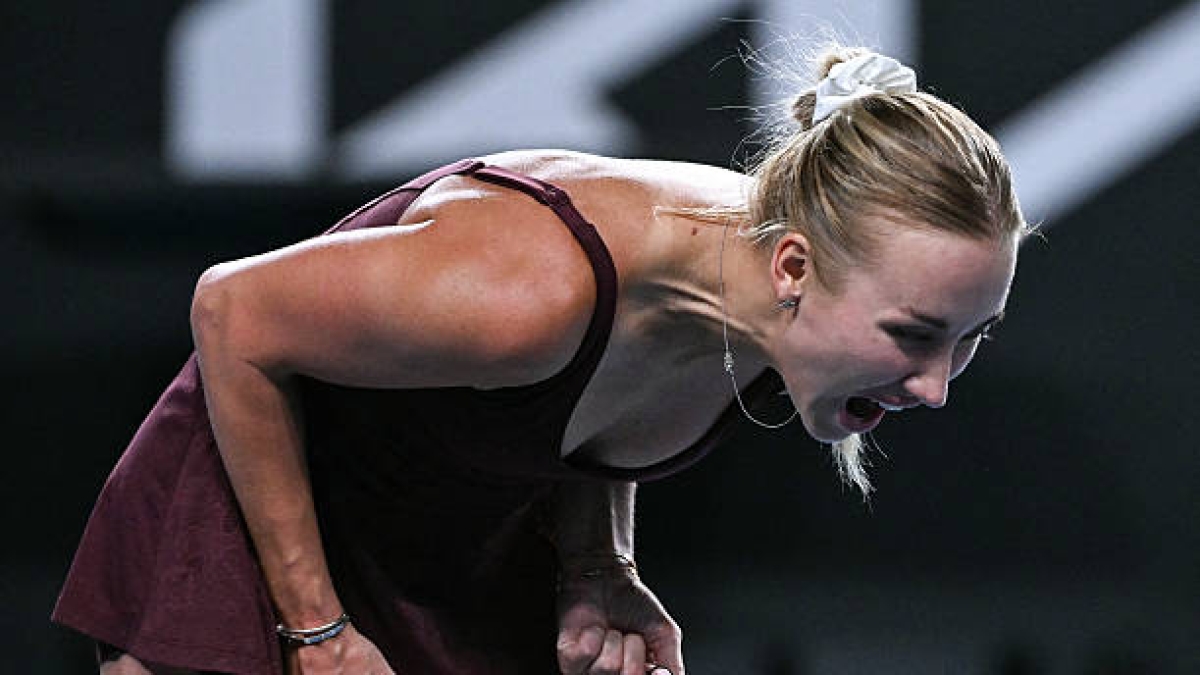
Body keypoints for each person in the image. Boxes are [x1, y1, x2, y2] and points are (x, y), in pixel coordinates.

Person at [53, 46, 1028, 675]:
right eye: (914, 334)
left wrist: (599, 563)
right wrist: (316, 632)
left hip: (450, 548)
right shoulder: (530, 292)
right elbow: (232, 312)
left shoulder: (763, 299)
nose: (935, 389)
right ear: (792, 265)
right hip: (258, 525)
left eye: (970, 341)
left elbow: (591, 411)